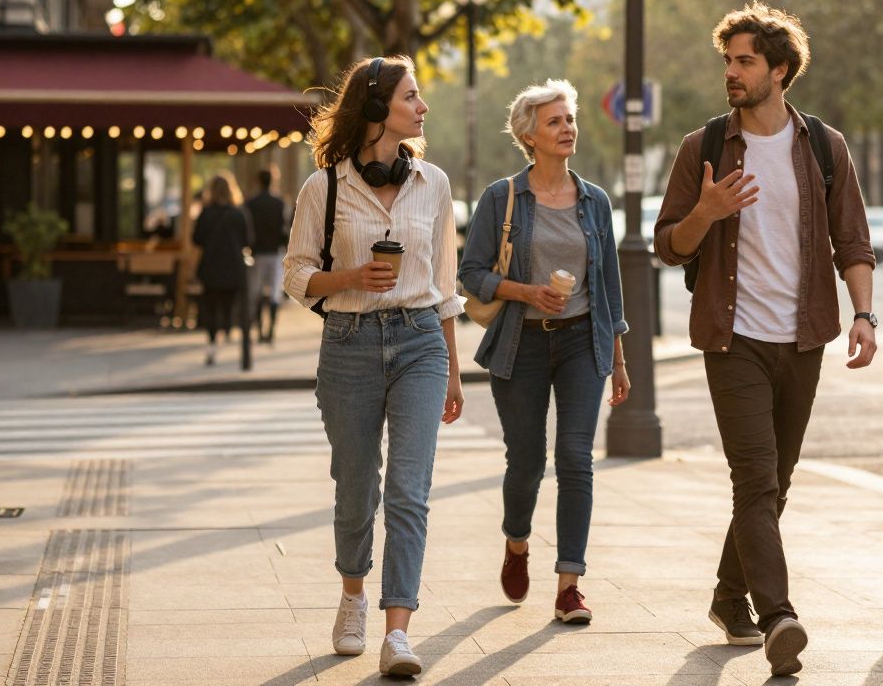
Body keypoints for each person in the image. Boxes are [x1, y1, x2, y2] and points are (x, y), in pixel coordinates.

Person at [654, 2, 877, 677]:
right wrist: (705, 211)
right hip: (734, 338)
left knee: (775, 483)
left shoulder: (824, 147)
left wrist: (864, 315)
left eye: (745, 61)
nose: (732, 71)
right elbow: (669, 245)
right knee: (754, 477)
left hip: (802, 337)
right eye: (728, 60)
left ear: (779, 70)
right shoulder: (703, 147)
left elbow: (853, 241)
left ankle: (729, 597)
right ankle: (779, 616)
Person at [282, 55, 465, 678]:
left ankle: (398, 632)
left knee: (410, 491)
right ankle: (352, 597)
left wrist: (453, 370)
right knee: (356, 487)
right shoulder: (324, 187)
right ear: (378, 107)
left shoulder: (434, 184)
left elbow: (444, 287)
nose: (423, 107)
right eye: (412, 96)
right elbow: (297, 275)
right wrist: (352, 278)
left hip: (420, 342)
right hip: (349, 344)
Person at [458, 80, 630, 625]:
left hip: (582, 340)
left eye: (570, 119)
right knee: (527, 461)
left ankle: (569, 587)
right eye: (555, 121)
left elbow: (609, 287)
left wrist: (618, 360)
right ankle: (516, 543)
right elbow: (470, 273)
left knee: (576, 458)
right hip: (521, 342)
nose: (567, 128)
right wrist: (526, 292)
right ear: (529, 136)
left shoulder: (595, 201)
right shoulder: (502, 197)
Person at [193, 172, 253, 366]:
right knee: (228, 303)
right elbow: (248, 240)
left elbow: (196, 239)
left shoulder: (206, 213)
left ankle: (212, 339)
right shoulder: (238, 213)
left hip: (210, 266)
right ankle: (226, 329)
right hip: (233, 267)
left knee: (210, 305)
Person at [246, 165, 290, 343]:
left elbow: (248, 229)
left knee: (256, 292)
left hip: (257, 253)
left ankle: (259, 330)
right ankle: (271, 329)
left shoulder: (251, 203)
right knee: (274, 293)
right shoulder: (279, 203)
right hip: (275, 252)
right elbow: (285, 229)